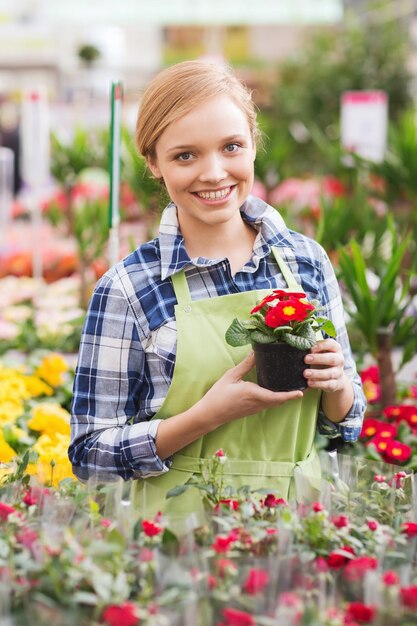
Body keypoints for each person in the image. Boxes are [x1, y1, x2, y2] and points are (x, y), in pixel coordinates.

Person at [69, 60, 366, 516]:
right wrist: (205, 417)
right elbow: (90, 454)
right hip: (179, 543)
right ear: (153, 163)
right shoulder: (129, 288)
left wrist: (337, 384)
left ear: (252, 145)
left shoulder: (305, 261)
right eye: (185, 155)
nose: (213, 173)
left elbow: (347, 422)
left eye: (231, 147)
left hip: (299, 530)